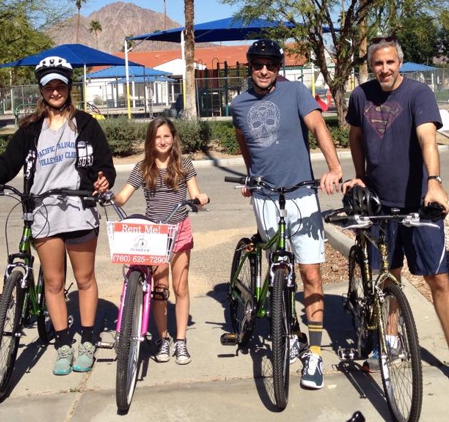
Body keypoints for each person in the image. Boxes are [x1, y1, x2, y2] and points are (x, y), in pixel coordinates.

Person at [0, 56, 116, 375]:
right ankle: (64, 343)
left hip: (80, 211)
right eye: (49, 86)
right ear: (41, 90)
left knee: (84, 279)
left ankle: (88, 340)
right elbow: (8, 162)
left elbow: (105, 165)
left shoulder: (86, 124)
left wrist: (104, 178)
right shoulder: (30, 129)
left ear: (69, 87)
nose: (55, 91)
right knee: (53, 283)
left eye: (60, 85)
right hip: (44, 214)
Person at [230, 39, 343, 389]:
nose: (264, 70)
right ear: (249, 66)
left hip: (301, 194)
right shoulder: (238, 104)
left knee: (309, 272)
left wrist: (335, 168)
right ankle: (287, 328)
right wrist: (250, 175)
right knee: (279, 266)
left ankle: (315, 353)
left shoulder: (295, 92)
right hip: (264, 196)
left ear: (279, 68)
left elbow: (318, 128)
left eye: (271, 64)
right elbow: (243, 141)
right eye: (258, 64)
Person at [344, 36, 449, 369]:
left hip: (420, 203)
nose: (384, 69)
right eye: (378, 63)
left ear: (399, 63)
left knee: (440, 279)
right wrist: (359, 175)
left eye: (390, 62)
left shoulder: (418, 94)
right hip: (378, 205)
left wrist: (434, 182)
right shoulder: (361, 95)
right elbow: (355, 135)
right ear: (370, 65)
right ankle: (389, 343)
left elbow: (427, 137)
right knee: (386, 278)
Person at [113, 117, 208, 365]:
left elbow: (195, 192)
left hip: (181, 230)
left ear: (173, 138)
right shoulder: (142, 168)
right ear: (151, 141)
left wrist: (200, 198)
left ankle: (181, 341)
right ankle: (162, 338)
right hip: (155, 234)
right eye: (157, 137)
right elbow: (123, 196)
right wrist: (109, 197)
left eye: (167, 136)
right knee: (159, 290)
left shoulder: (184, 165)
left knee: (181, 286)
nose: (163, 141)